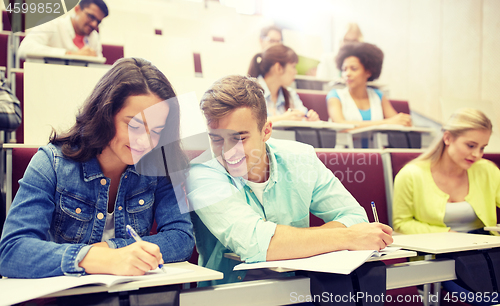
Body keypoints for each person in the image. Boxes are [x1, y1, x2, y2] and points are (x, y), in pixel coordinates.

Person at [186, 75, 393, 286]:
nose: (228, 151)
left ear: (266, 131)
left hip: (298, 290)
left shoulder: (300, 158)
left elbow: (355, 216)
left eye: (239, 138)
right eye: (216, 138)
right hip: (231, 296)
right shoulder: (200, 174)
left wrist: (295, 240)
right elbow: (256, 243)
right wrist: (347, 237)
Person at [0, 58, 194, 278]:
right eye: (134, 125)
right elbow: (12, 251)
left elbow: (181, 238)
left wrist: (111, 248)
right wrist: (100, 258)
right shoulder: (51, 163)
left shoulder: (158, 163)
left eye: (157, 130)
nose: (145, 141)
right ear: (105, 115)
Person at [393, 108, 499, 234]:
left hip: (483, 247)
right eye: (471, 146)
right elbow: (401, 224)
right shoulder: (411, 175)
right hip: (435, 249)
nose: (477, 154)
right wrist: (445, 234)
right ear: (448, 138)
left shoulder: (487, 169)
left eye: (482, 148)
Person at [326, 42, 411, 128]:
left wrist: (404, 121)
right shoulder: (335, 96)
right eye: (344, 69)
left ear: (368, 72)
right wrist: (387, 122)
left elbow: (398, 122)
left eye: (354, 69)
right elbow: (340, 125)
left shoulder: (378, 96)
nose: (347, 74)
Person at [248, 44, 320, 123]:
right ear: (278, 68)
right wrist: (283, 118)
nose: (295, 72)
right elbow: (248, 124)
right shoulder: (250, 93)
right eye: (293, 66)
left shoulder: (290, 94)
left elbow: (303, 115)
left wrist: (310, 118)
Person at [17, 0, 109, 59]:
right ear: (77, 9)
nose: (94, 24)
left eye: (98, 21)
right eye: (91, 17)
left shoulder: (94, 37)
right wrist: (69, 54)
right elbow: (25, 49)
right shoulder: (52, 24)